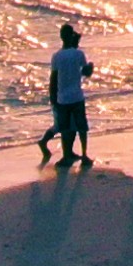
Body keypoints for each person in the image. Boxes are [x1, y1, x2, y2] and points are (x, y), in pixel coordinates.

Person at [40, 23, 92, 167]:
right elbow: (86, 72)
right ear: (71, 36)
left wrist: (52, 96)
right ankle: (85, 155)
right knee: (81, 127)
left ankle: (66, 155)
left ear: (61, 37)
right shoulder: (78, 54)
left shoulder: (56, 56)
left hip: (63, 97)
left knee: (65, 128)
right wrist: (90, 67)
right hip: (77, 95)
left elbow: (54, 78)